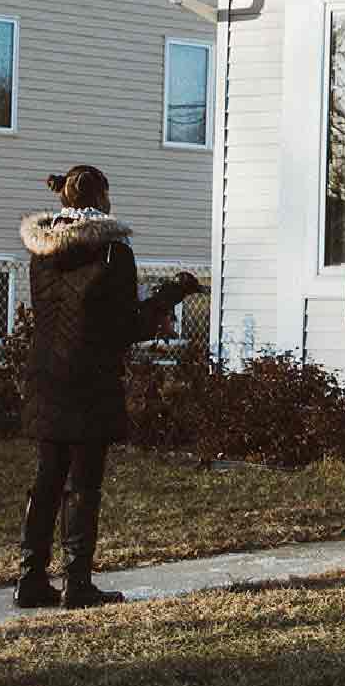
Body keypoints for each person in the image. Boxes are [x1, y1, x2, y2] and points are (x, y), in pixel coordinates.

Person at [14, 165, 203, 608]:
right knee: (83, 483)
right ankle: (77, 584)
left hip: (45, 375)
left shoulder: (41, 252)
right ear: (101, 199)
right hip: (90, 379)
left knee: (46, 480)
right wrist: (170, 296)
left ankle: (30, 579)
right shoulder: (113, 253)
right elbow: (123, 327)